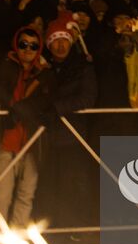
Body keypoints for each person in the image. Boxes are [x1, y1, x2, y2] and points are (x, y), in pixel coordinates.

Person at [36, 19, 98, 227]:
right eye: (55, 41)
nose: (60, 45)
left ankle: (74, 226)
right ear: (49, 44)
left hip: (74, 133)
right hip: (48, 136)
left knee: (73, 182)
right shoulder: (45, 68)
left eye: (64, 40)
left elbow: (88, 97)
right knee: (51, 183)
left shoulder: (82, 67)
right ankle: (54, 226)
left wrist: (57, 107)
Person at [0, 26, 50, 226]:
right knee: (3, 196)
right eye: (23, 44)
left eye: (33, 46)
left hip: (31, 143)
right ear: (17, 45)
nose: (27, 50)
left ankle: (17, 234)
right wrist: (14, 107)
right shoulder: (6, 67)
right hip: (7, 141)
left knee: (26, 194)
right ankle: (0, 236)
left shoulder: (43, 74)